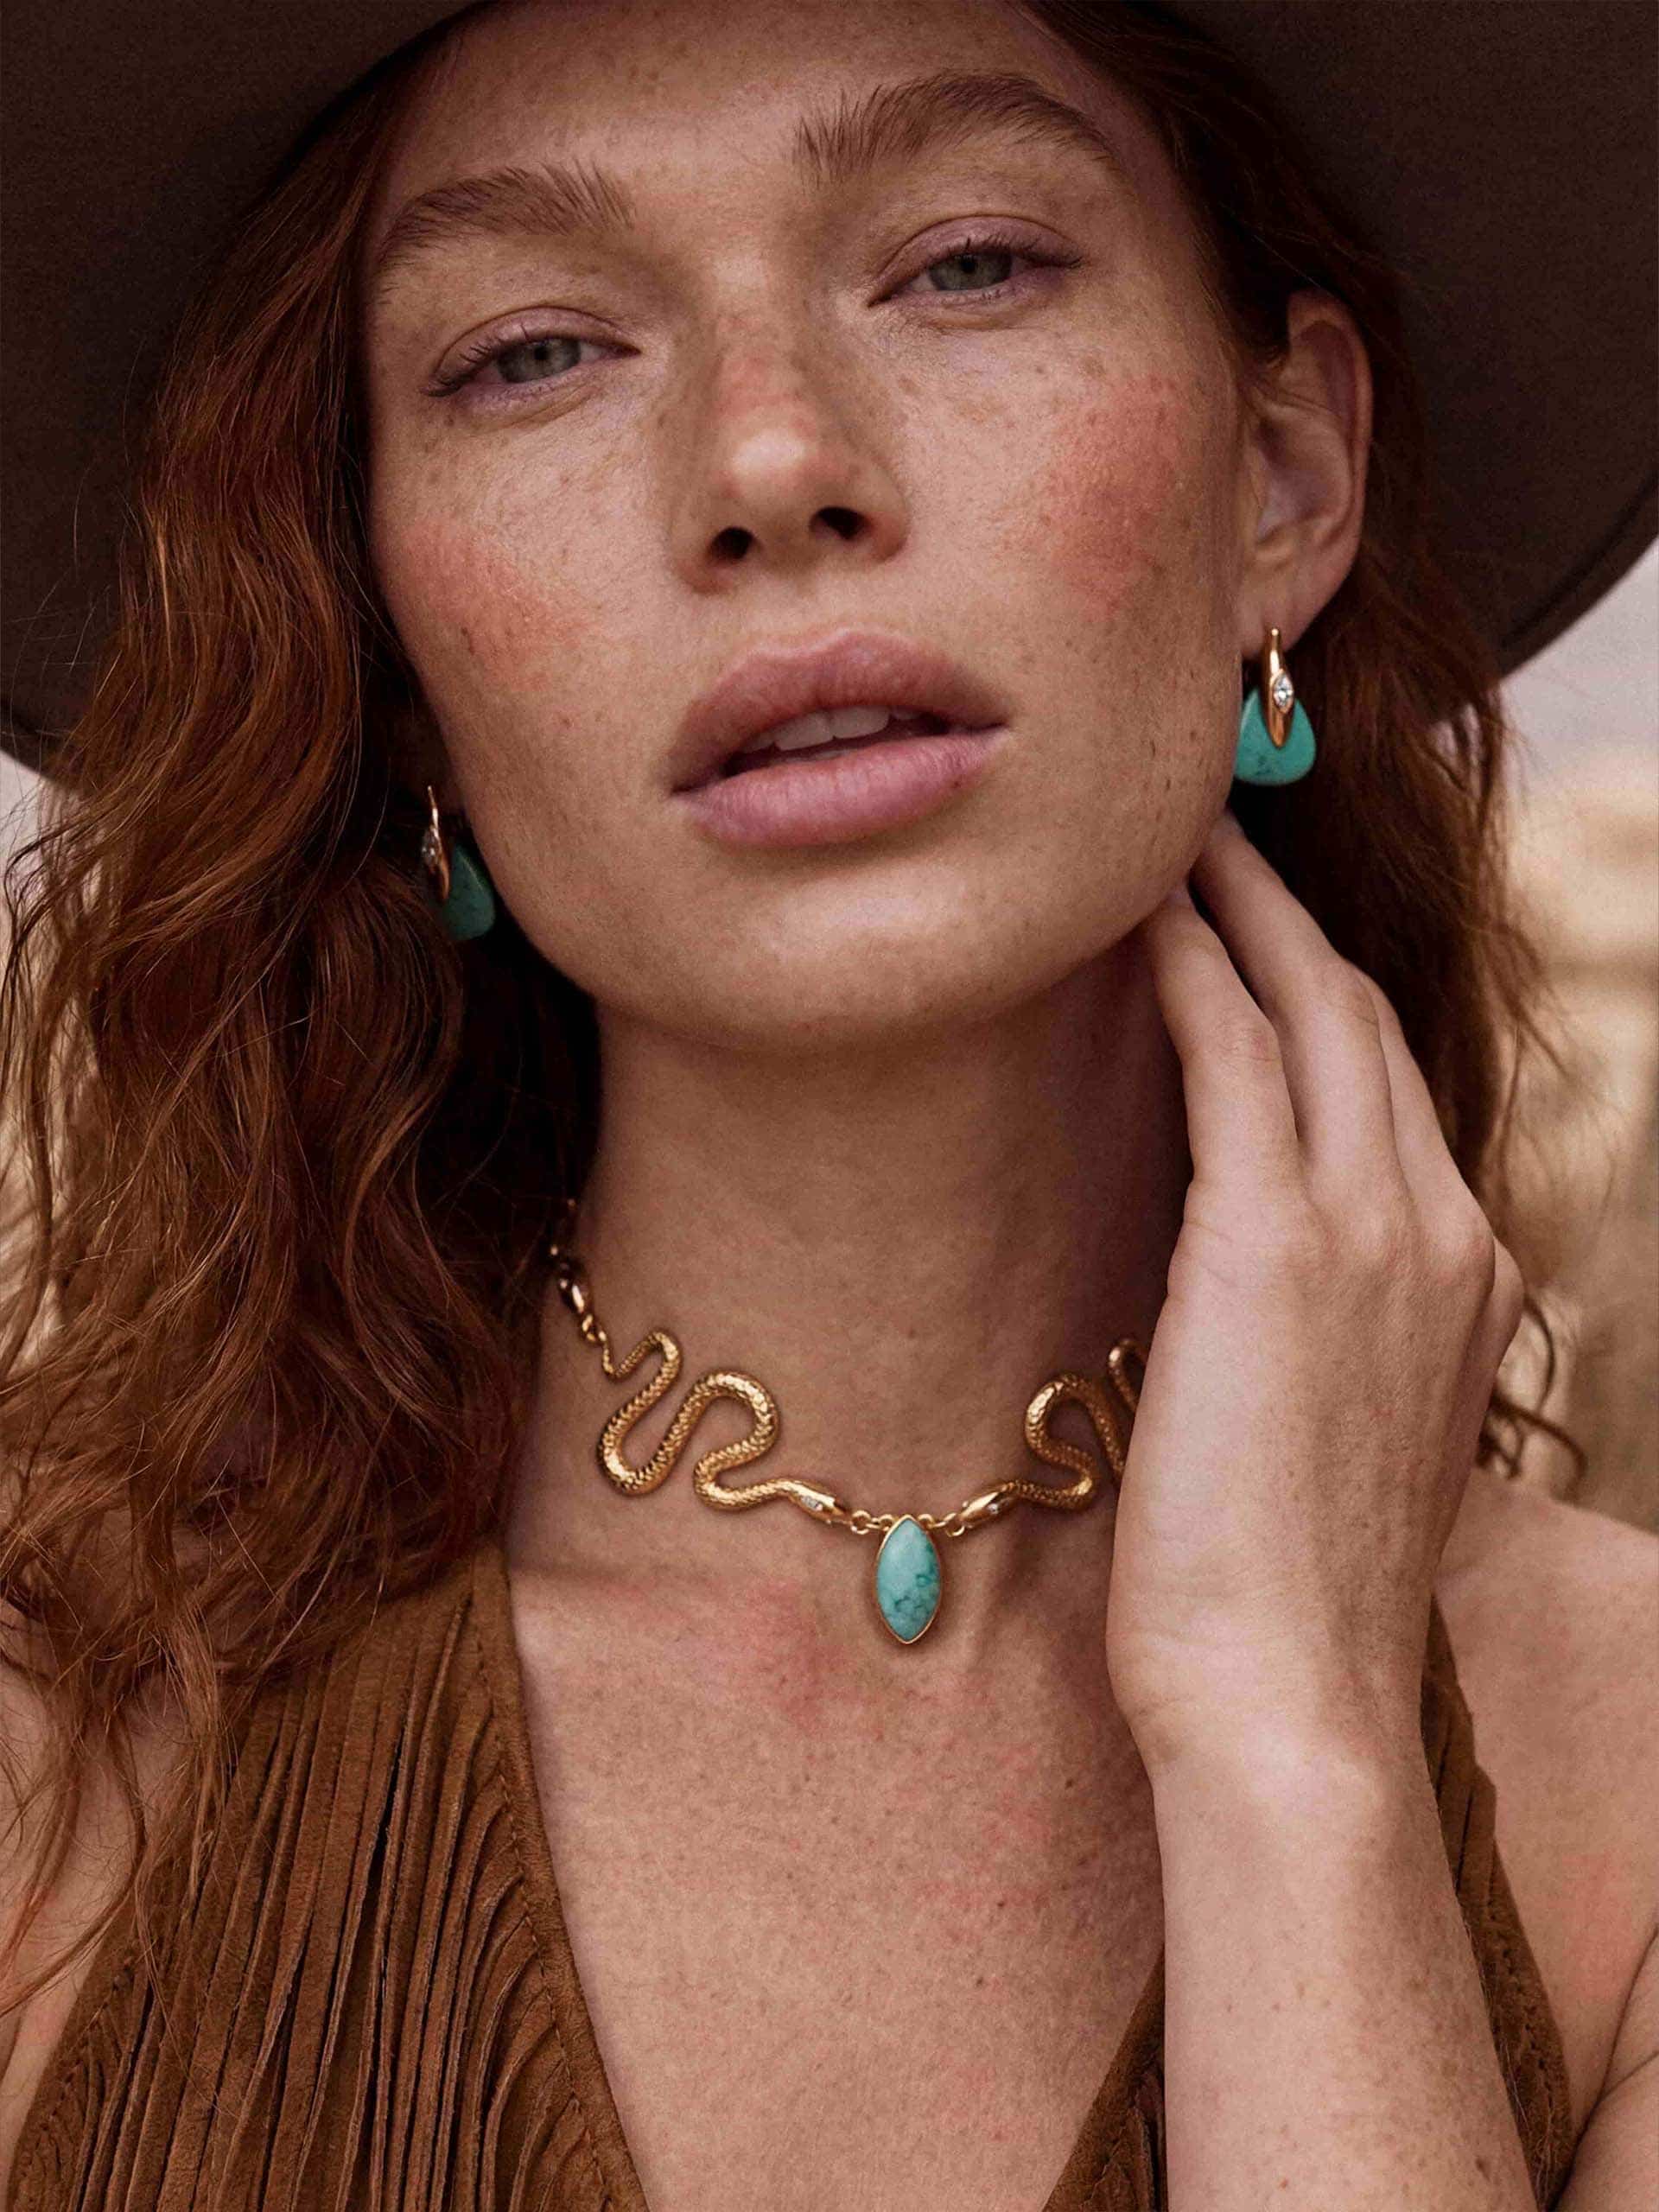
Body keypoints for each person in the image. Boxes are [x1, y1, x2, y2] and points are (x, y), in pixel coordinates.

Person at [1, 1, 1654, 2206]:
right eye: (530, 353)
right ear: (387, 653)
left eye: (967, 261)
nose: (776, 463)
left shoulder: (1629, 1791)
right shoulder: (52, 1727)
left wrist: (1303, 1749)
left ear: (1285, 481)